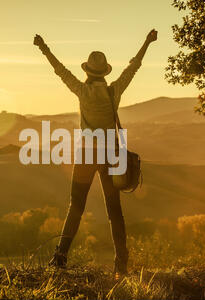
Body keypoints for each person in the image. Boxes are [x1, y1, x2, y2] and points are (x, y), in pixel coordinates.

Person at [34, 29, 158, 277]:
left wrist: (43, 47)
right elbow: (134, 67)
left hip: (86, 155)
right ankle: (121, 264)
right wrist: (147, 42)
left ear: (88, 71)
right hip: (110, 156)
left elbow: (60, 70)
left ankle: (60, 258)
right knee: (115, 211)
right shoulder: (114, 91)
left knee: (76, 207)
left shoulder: (81, 90)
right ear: (104, 72)